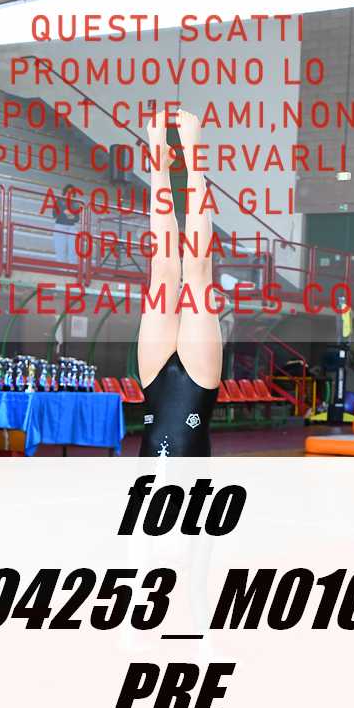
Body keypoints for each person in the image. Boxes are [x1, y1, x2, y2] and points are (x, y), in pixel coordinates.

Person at [138, 109, 222, 457]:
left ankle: (159, 164)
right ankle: (193, 158)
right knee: (198, 274)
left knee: (162, 271)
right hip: (198, 382)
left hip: (155, 380)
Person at [52, 184, 80, 264]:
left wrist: (67, 213)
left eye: (72, 192)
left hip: (72, 227)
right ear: (65, 192)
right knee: (60, 249)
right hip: (60, 226)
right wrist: (68, 213)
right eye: (68, 192)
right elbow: (54, 214)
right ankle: (61, 269)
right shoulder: (59, 200)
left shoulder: (76, 203)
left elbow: (77, 218)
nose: (69, 194)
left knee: (73, 250)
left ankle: (72, 269)